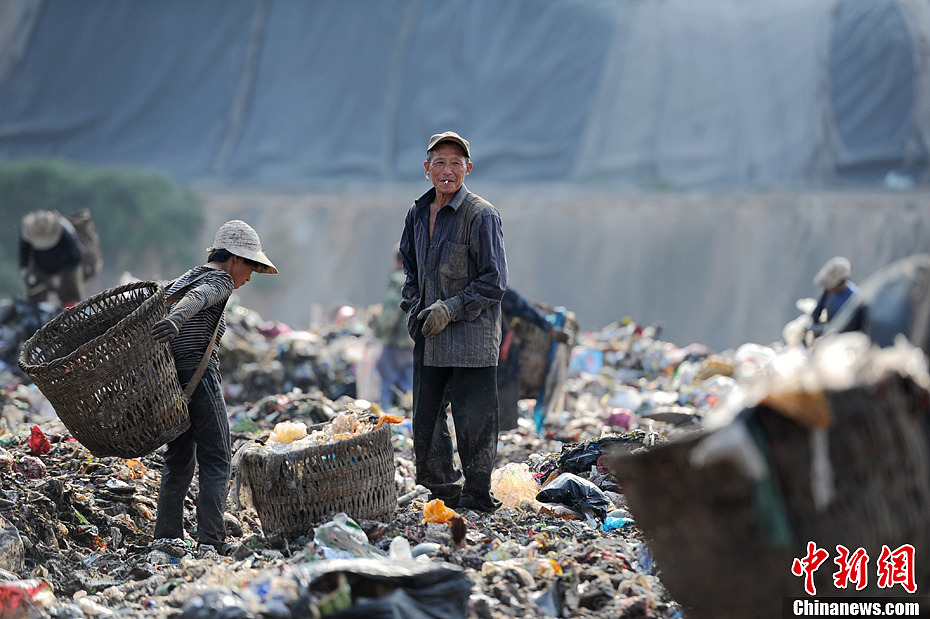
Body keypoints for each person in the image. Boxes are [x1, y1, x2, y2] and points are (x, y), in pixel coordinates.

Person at [150, 220, 277, 553]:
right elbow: (200, 298)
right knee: (218, 456)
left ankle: (166, 536)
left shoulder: (186, 276)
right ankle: (210, 540)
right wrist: (177, 320)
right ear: (235, 258)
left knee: (179, 457)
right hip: (199, 376)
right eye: (250, 265)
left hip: (172, 380)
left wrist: (171, 318)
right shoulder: (218, 278)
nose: (249, 276)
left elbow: (166, 300)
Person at [399, 131, 508, 513]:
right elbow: (410, 269)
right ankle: (441, 491)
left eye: (456, 163)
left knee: (474, 421)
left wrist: (451, 308)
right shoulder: (416, 213)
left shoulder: (481, 215)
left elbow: (494, 281)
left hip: (471, 339)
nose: (448, 171)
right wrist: (413, 306)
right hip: (429, 337)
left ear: (468, 169)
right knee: (425, 420)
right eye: (440, 163)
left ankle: (478, 496)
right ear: (427, 169)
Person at [497, 288, 569, 432]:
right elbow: (524, 308)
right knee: (503, 414)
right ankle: (503, 441)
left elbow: (524, 308)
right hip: (502, 365)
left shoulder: (473, 291)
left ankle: (501, 441)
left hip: (494, 363)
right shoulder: (497, 290)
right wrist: (549, 328)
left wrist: (548, 328)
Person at [373, 250, 414, 408]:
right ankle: (410, 421)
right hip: (412, 342)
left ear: (398, 262)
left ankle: (386, 421)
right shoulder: (417, 277)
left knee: (387, 384)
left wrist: (379, 331)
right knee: (409, 384)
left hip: (395, 342)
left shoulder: (398, 280)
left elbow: (391, 311)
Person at [19, 210, 85, 307]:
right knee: (35, 293)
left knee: (70, 295)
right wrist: (23, 266)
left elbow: (77, 256)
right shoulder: (28, 230)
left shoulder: (64, 230)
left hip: (64, 268)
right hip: (41, 267)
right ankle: (38, 314)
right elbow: (24, 250)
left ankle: (73, 315)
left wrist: (60, 275)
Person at [809, 256, 860, 337]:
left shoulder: (854, 299)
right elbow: (817, 312)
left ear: (841, 282)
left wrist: (822, 330)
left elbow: (847, 327)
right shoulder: (828, 291)